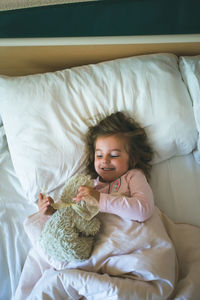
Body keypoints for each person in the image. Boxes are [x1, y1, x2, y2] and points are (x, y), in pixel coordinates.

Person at [38, 111, 154, 222]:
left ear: (132, 159)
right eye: (99, 155)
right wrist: (52, 210)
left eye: (114, 155)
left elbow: (144, 210)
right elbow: (70, 211)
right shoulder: (90, 186)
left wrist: (99, 199)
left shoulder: (133, 176)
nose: (104, 160)